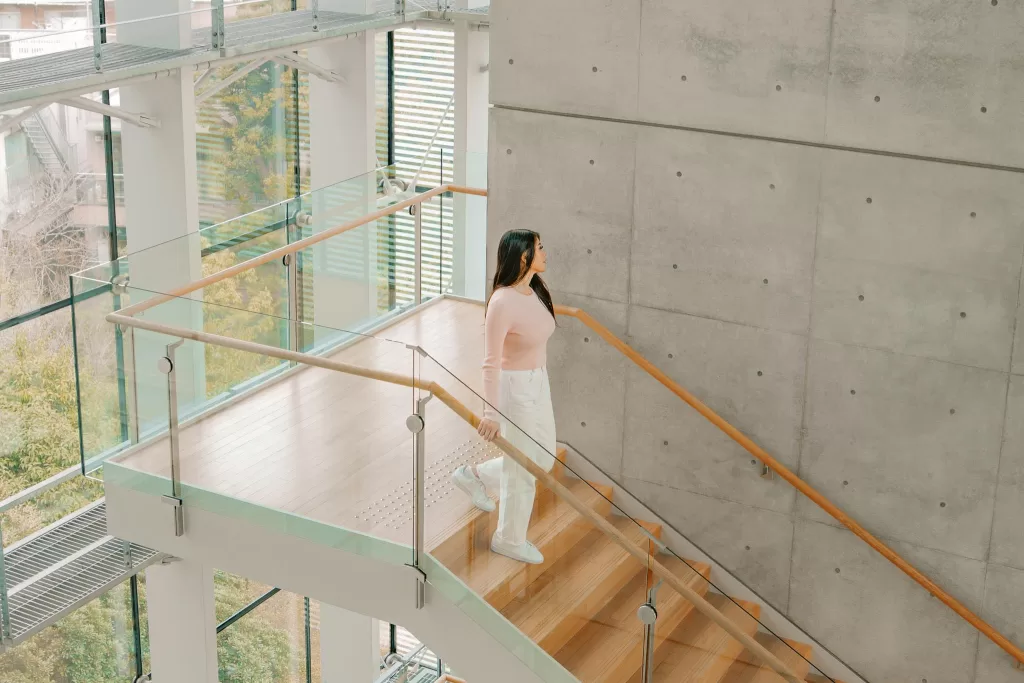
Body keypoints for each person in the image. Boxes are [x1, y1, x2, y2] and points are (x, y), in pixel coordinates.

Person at [451, 229, 557, 564]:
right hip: (515, 387)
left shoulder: (534, 290)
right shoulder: (502, 302)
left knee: (543, 458)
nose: (545, 253)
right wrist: (491, 414)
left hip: (538, 380)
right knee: (522, 467)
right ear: (524, 256)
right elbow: (490, 362)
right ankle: (509, 539)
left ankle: (475, 476)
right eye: (539, 248)